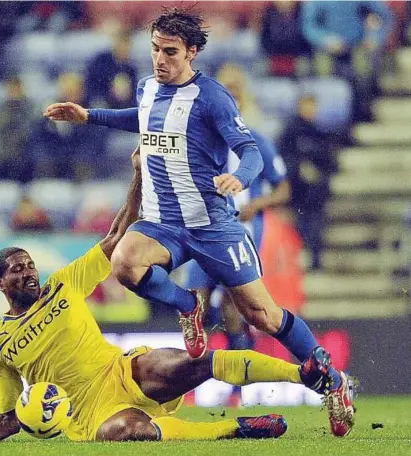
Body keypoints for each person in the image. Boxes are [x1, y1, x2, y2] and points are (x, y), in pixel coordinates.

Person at [44, 8, 353, 436]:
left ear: (191, 52)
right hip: (164, 222)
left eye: (169, 51)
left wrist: (238, 178)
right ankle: (188, 304)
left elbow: (252, 152)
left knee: (262, 315)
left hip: (213, 226)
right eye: (154, 49)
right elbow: (141, 116)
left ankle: (334, 384)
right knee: (125, 264)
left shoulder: (213, 98)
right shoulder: (148, 88)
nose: (159, 59)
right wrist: (89, 115)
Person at [0, 149, 338, 443]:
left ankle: (301, 374)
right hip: (89, 413)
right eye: (16, 271)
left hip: (121, 370)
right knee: (129, 432)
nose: (28, 273)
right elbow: (9, 417)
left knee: (197, 363)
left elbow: (113, 241)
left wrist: (140, 176)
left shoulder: (62, 283)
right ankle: (233, 429)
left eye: (28, 265)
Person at [184, 64, 291, 406]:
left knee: (233, 304)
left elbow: (284, 189)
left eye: (236, 89)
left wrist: (256, 204)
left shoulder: (256, 141)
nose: (232, 95)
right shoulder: (201, 139)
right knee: (194, 303)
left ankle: (238, 388)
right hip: (203, 231)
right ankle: (190, 378)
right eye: (226, 89)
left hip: (241, 233)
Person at [278, 94, 338, 270]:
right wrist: (299, 170)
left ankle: (315, 260)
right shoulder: (290, 131)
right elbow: (283, 157)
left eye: (312, 106)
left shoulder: (319, 132)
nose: (310, 110)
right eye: (306, 106)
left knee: (317, 225)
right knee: (300, 226)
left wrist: (318, 173)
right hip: (298, 191)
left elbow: (330, 161)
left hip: (317, 191)